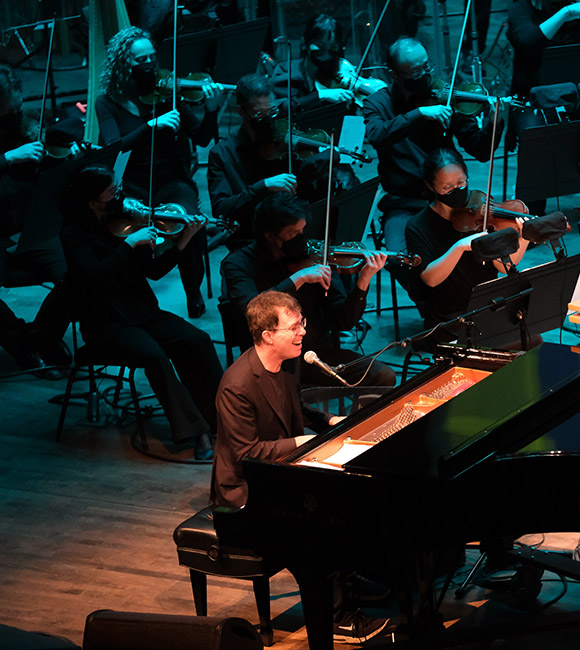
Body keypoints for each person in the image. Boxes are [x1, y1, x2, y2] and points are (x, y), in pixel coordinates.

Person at [211, 289, 391, 645]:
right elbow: (246, 453)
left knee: (348, 493)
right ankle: (336, 616)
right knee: (318, 524)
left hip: (282, 471)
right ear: (268, 335)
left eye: (302, 323)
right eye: (294, 327)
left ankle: (349, 578)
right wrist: (301, 442)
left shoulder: (287, 363)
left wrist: (329, 421)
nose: (303, 332)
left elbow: (297, 409)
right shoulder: (236, 386)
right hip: (245, 490)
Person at [60, 165, 221, 459]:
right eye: (113, 192)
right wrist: (128, 245)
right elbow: (93, 277)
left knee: (197, 340)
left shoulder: (127, 222)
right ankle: (196, 430)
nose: (121, 197)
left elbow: (154, 271)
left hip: (142, 311)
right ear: (93, 203)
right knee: (154, 356)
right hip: (106, 323)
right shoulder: (73, 235)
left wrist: (182, 242)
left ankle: (219, 419)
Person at [94, 26, 226, 318]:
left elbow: (202, 138)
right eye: (141, 60)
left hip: (172, 181)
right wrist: (150, 126)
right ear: (124, 64)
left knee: (189, 219)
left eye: (152, 57)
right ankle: (131, 296)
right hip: (132, 185)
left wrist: (212, 110)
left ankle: (193, 291)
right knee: (121, 223)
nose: (149, 65)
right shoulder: (107, 102)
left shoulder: (168, 95)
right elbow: (113, 146)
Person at [221, 193, 395, 387]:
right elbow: (253, 310)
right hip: (269, 357)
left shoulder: (314, 256)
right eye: (293, 233)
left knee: (383, 375)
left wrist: (363, 281)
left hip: (314, 354)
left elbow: (343, 320)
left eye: (302, 230)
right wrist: (298, 279)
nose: (302, 239)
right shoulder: (238, 264)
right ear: (269, 236)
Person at [362, 37, 504, 263]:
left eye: (427, 66)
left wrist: (494, 123)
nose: (426, 75)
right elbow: (376, 135)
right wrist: (419, 113)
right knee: (403, 261)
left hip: (451, 200)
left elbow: (480, 150)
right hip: (404, 204)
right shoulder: (377, 103)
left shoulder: (444, 97)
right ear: (394, 74)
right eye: (416, 72)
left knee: (480, 255)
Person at [405, 148, 530, 340]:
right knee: (512, 346)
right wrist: (460, 246)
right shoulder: (418, 226)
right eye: (447, 188)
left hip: (489, 306)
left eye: (461, 182)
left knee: (532, 339)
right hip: (449, 318)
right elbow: (430, 279)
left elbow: (503, 266)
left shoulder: (482, 211)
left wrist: (525, 237)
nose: (457, 190)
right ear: (431, 187)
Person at [0, 64, 72, 376]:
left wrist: (63, 155)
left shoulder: (25, 125)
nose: (14, 117)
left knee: (75, 277)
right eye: (6, 112)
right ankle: (21, 345)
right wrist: (7, 158)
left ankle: (42, 336)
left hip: (31, 226)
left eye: (17, 108)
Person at [207, 73, 331, 250]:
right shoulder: (222, 153)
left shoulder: (285, 145)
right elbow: (222, 209)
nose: (267, 120)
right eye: (259, 114)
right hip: (250, 240)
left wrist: (316, 170)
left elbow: (308, 198)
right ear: (241, 112)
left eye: (271, 112)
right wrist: (263, 186)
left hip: (294, 235)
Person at [271, 13, 387, 115]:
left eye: (333, 48)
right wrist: (320, 95)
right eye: (320, 46)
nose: (326, 54)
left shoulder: (342, 72)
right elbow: (276, 110)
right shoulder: (286, 71)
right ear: (305, 43)